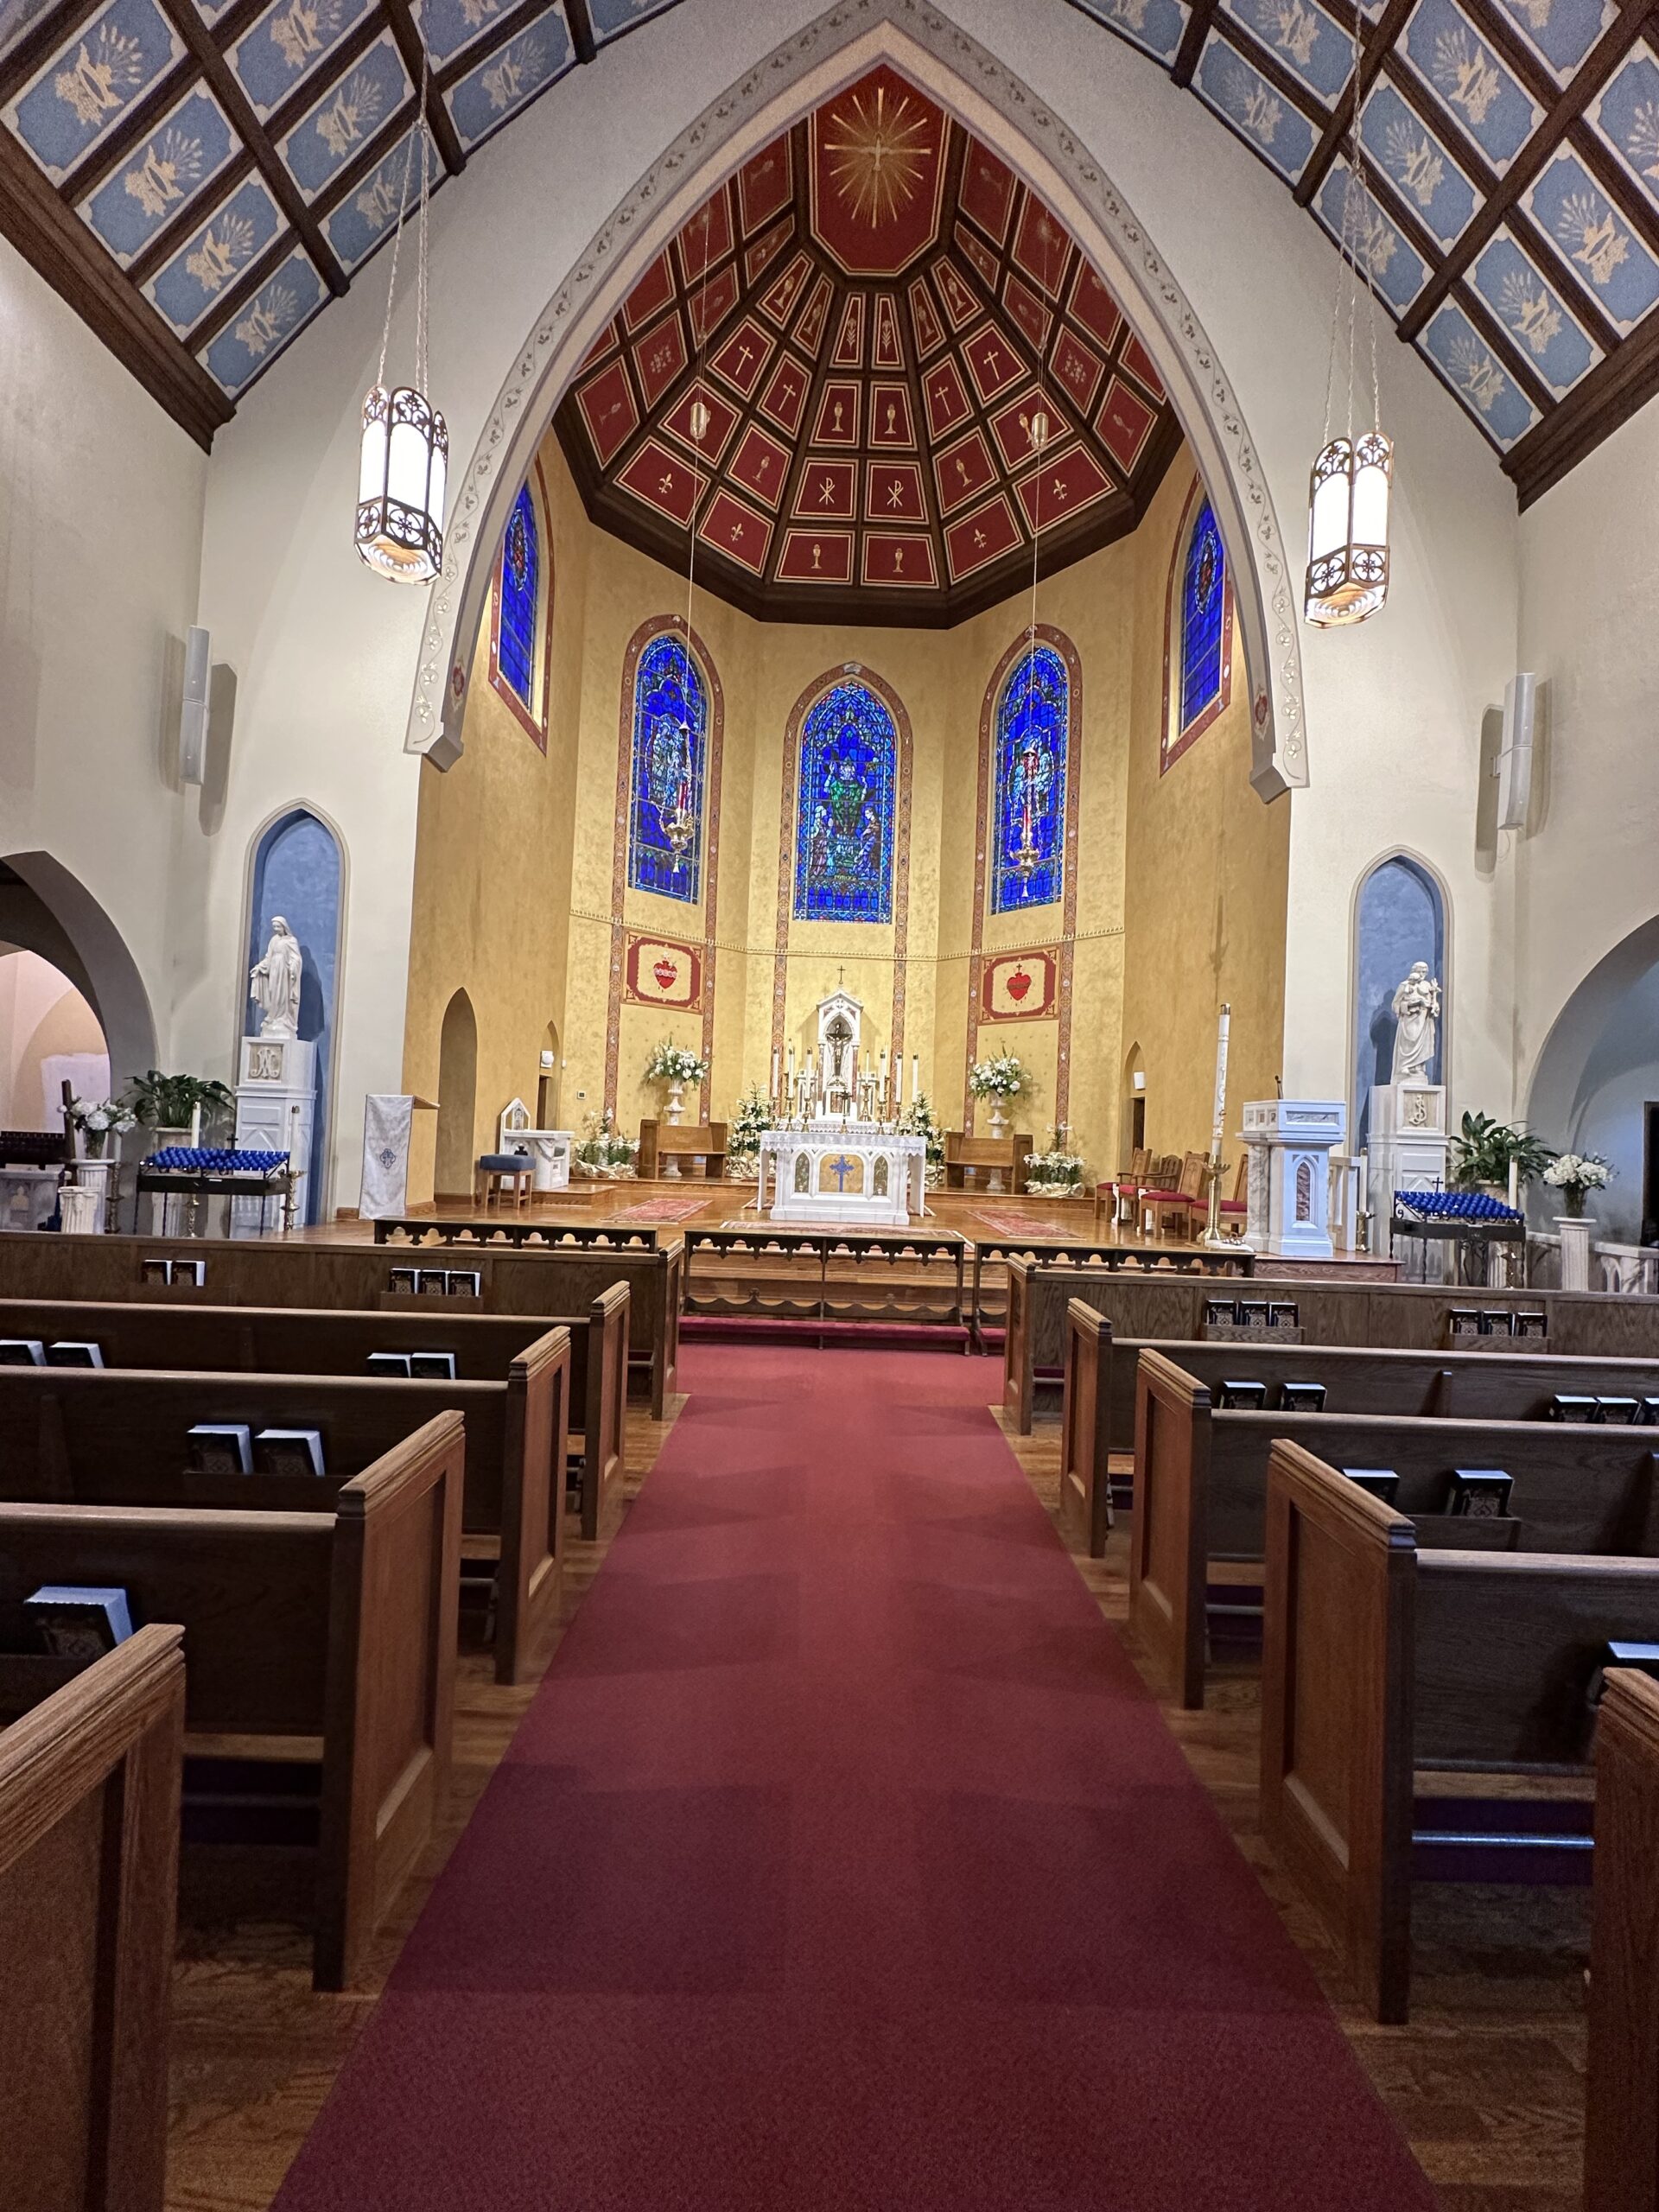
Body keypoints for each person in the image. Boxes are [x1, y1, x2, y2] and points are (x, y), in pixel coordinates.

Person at [251, 916, 303, 1039]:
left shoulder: (291, 940)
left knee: (283, 995)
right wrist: (260, 967)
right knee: (273, 993)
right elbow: (269, 957)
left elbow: (297, 958)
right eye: (274, 927)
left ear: (284, 927)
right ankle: (273, 1016)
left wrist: (293, 967)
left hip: (284, 972)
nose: (276, 929)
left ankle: (283, 1019)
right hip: (274, 970)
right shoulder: (274, 940)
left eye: (278, 926)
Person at [1389, 961, 1440, 1084]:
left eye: (1425, 972)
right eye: (1420, 971)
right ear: (1414, 971)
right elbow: (1396, 1004)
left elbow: (1434, 1004)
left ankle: (1418, 1068)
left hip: (1424, 1022)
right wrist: (1413, 1004)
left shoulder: (1427, 986)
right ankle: (1405, 1067)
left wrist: (1434, 1005)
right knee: (1409, 1042)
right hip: (1409, 1021)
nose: (1422, 974)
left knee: (1422, 1047)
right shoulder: (1404, 985)